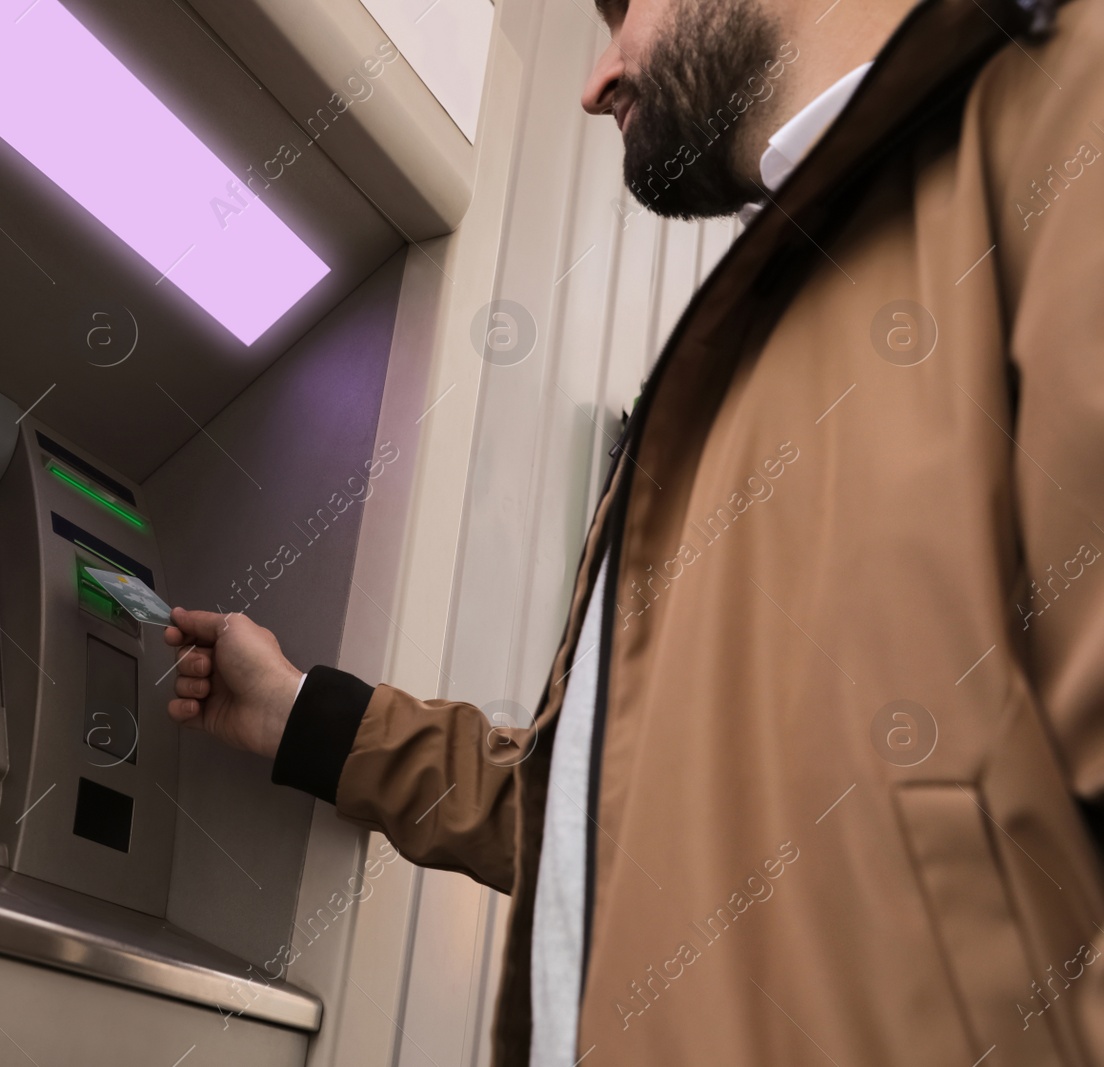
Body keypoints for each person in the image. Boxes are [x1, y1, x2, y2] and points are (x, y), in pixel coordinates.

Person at [166, 0, 1104, 1060]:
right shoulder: (765, 323)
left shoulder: (1067, 123)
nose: (595, 79)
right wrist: (300, 714)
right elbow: (606, 824)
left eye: (620, 10)